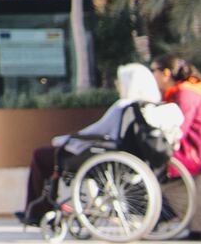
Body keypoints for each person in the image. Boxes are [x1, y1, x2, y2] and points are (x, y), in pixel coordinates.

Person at [22, 63, 174, 225]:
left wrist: (65, 139)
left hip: (101, 154)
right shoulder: (151, 107)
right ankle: (42, 208)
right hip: (128, 157)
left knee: (40, 155)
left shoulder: (123, 106)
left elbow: (97, 130)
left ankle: (38, 211)